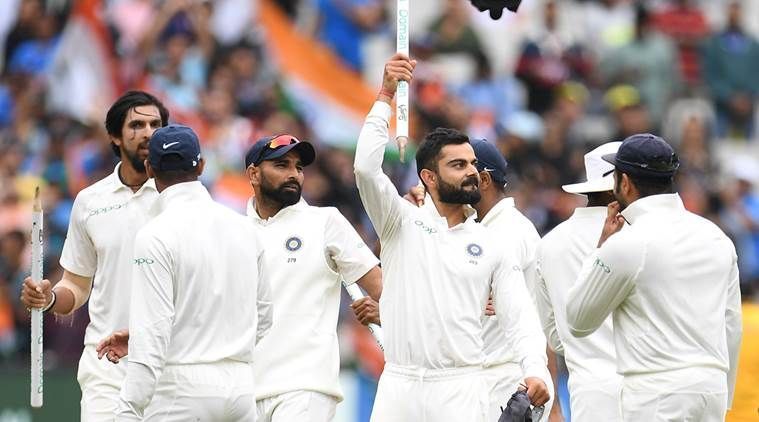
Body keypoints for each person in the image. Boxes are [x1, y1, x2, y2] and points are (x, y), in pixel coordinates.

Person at [354, 53, 548, 422]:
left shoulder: (492, 242)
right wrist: (385, 95)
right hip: (400, 384)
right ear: (429, 177)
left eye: (473, 163)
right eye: (458, 165)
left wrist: (535, 368)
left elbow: (519, 316)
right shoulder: (401, 222)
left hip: (461, 387)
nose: (472, 172)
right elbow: (365, 168)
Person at [566, 134, 742, 421]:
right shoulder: (716, 235)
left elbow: (578, 321)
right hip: (712, 390)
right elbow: (731, 324)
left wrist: (601, 249)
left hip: (656, 394)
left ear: (624, 183)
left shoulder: (628, 243)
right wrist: (724, 395)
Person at [20, 90, 168, 420]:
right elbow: (76, 286)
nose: (147, 133)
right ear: (115, 136)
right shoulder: (89, 201)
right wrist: (47, 298)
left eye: (156, 125)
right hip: (106, 367)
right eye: (137, 125)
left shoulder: (180, 198)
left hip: (170, 366)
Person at [111, 124, 272, 420]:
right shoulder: (245, 228)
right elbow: (263, 316)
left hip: (180, 390)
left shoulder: (155, 235)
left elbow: (153, 332)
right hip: (241, 390)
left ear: (149, 168)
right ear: (201, 165)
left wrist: (128, 408)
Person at [405, 139, 560, 422]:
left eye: (469, 168)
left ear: (484, 180)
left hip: (505, 381)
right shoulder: (488, 229)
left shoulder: (506, 233)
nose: (463, 177)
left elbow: (520, 320)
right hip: (499, 378)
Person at [243, 134, 382, 422]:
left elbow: (382, 287)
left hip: (306, 388)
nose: (294, 174)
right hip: (244, 391)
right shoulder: (235, 232)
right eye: (282, 165)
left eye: (298, 167)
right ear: (253, 174)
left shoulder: (325, 222)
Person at [533, 141, 624, 421]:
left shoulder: (550, 244)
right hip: (645, 388)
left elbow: (554, 336)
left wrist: (585, 346)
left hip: (589, 390)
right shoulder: (639, 234)